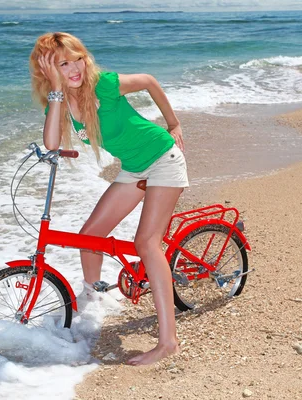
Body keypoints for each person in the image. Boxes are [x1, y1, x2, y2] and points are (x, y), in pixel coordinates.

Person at [29, 32, 189, 366]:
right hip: (134, 168)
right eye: (63, 63)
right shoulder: (60, 99)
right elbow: (51, 142)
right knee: (89, 236)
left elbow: (148, 81)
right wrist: (57, 89)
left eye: (78, 59)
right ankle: (94, 302)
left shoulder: (105, 84)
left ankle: (168, 343)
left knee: (146, 243)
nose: (74, 68)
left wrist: (173, 124)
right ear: (48, 71)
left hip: (163, 159)